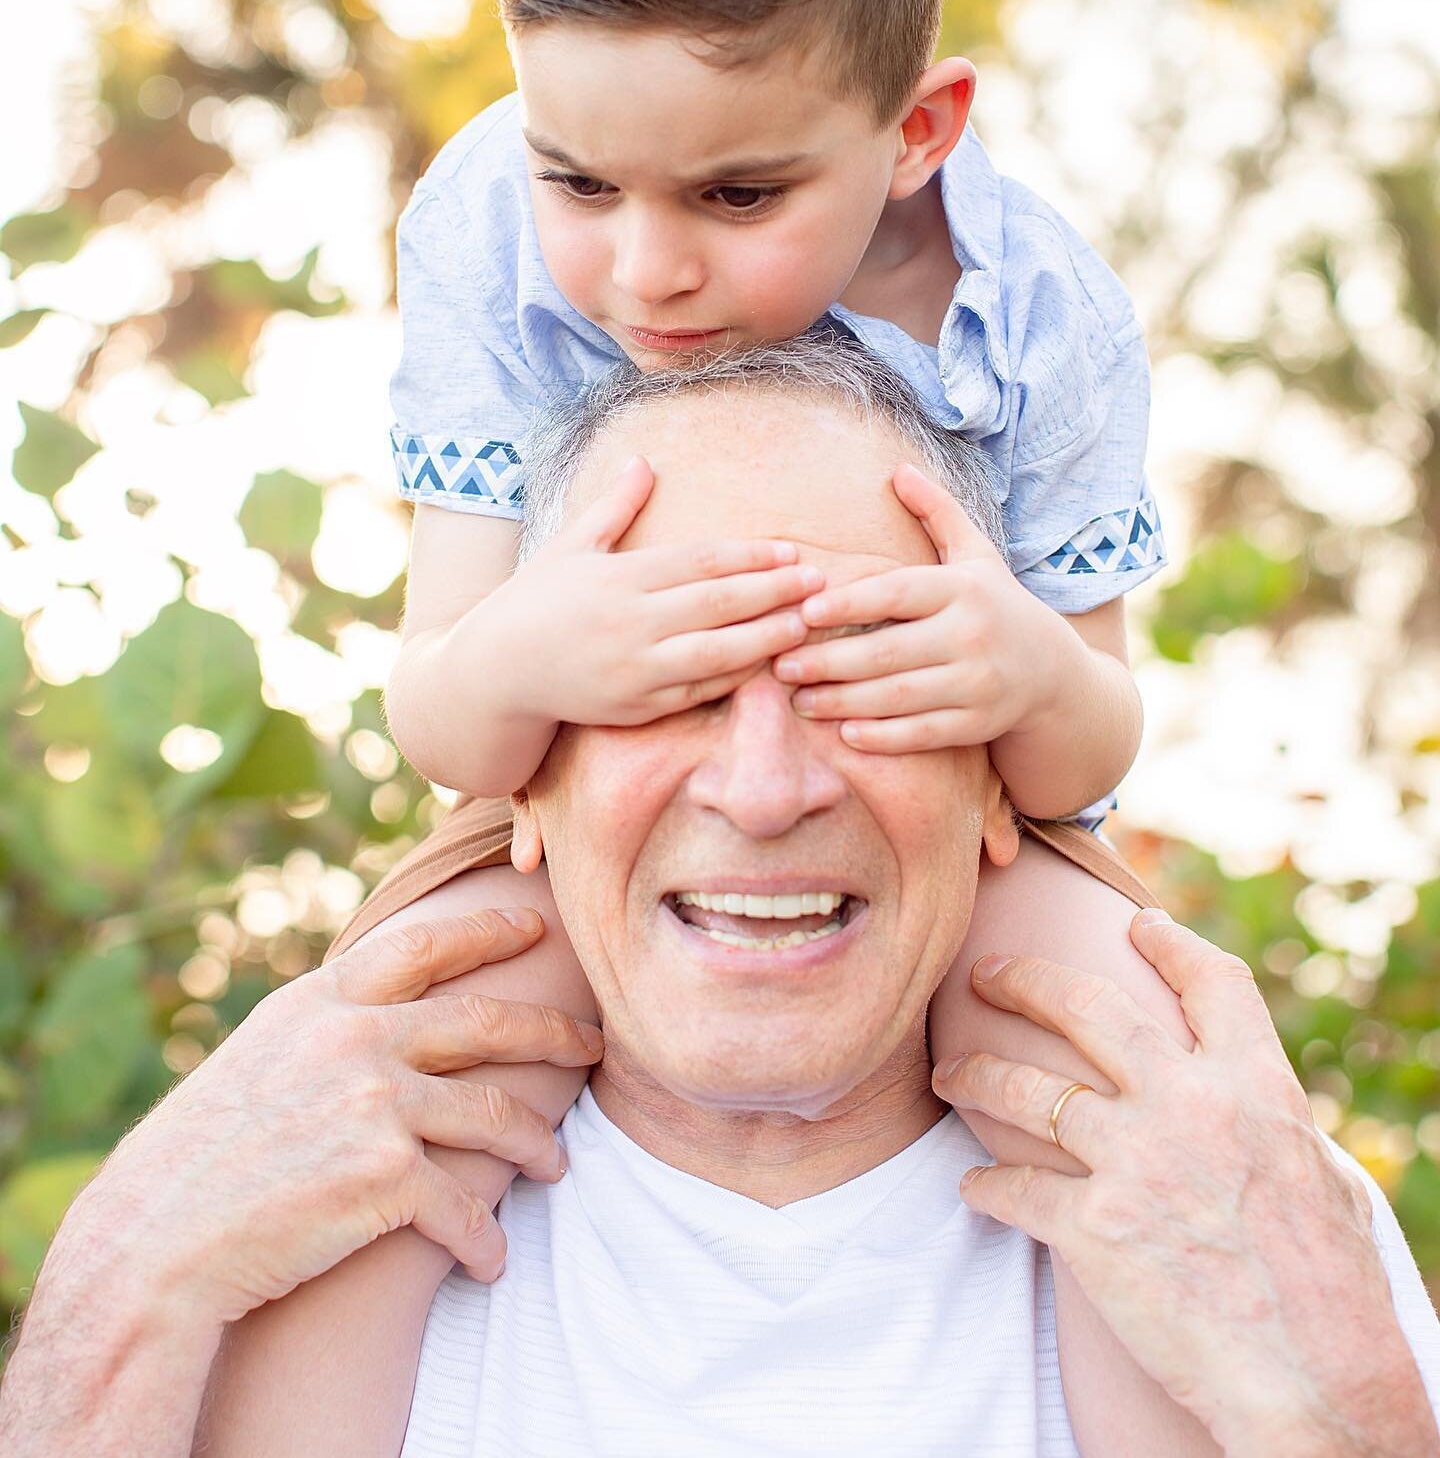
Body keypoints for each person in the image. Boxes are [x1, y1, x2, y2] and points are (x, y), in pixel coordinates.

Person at [9, 337, 1430, 1457]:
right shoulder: (262, 1222)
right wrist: (116, 1288)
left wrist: (1332, 1424)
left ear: (1005, 781)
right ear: (527, 778)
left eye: (864, 675)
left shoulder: (1251, 1230)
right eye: (666, 686)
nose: (764, 788)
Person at [373, 0, 1169, 1425]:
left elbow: (1095, 746)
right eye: (580, 176)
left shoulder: (1037, 313)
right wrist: (538, 649)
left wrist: (1020, 670)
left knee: (1129, 1064)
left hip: (965, 826)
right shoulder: (484, 238)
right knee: (377, 1070)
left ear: (919, 132)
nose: (642, 271)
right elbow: (441, 715)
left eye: (736, 197)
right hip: (571, 807)